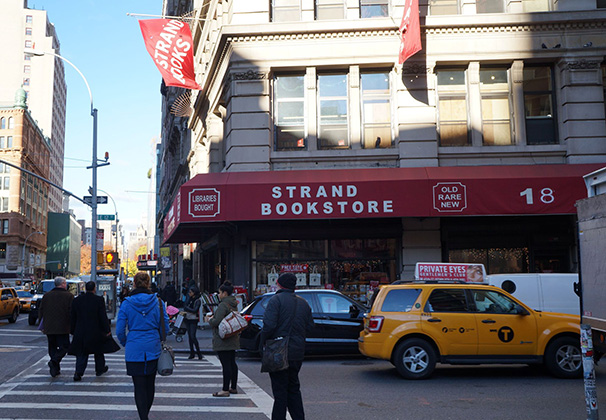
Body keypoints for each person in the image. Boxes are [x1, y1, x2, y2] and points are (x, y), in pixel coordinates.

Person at [260, 273, 314, 420]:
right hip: (297, 351)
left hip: (278, 350)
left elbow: (269, 326)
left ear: (279, 284)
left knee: (280, 392)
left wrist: (263, 341)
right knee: (294, 388)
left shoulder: (275, 300)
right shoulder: (303, 303)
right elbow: (310, 327)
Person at [117, 272, 169, 420]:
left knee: (138, 385)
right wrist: (160, 337)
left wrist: (126, 342)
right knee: (150, 383)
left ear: (134, 283)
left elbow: (120, 329)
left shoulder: (127, 303)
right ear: (148, 283)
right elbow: (165, 324)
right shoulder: (157, 301)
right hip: (152, 345)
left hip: (134, 345)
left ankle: (143, 417)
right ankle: (145, 413)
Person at [69, 280, 119, 381]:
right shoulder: (98, 300)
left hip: (81, 330)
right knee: (98, 351)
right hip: (96, 330)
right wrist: (106, 329)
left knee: (82, 353)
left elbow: (72, 317)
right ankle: (100, 369)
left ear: (85, 288)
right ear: (94, 289)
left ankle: (78, 372)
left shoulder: (77, 300)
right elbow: (102, 316)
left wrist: (72, 330)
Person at [206, 281, 240, 397]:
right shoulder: (233, 303)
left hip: (223, 338)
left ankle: (225, 389)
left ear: (225, 293)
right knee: (232, 362)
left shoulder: (223, 305)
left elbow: (216, 321)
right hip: (233, 336)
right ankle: (233, 387)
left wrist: (209, 319)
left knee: (226, 364)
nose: (218, 295)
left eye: (220, 293)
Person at [38, 276, 74, 378]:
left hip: (49, 326)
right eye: (65, 283)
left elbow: (41, 310)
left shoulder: (47, 295)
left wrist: (42, 324)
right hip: (63, 327)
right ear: (62, 284)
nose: (66, 285)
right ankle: (54, 362)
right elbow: (71, 312)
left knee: (52, 347)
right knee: (65, 346)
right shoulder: (69, 296)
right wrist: (72, 325)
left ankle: (55, 368)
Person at [183, 284, 203, 360]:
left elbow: (195, 310)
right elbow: (185, 304)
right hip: (188, 318)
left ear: (194, 292)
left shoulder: (197, 300)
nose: (189, 293)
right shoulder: (190, 299)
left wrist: (187, 308)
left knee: (192, 336)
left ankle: (198, 352)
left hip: (193, 319)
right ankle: (192, 352)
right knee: (190, 337)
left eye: (190, 292)